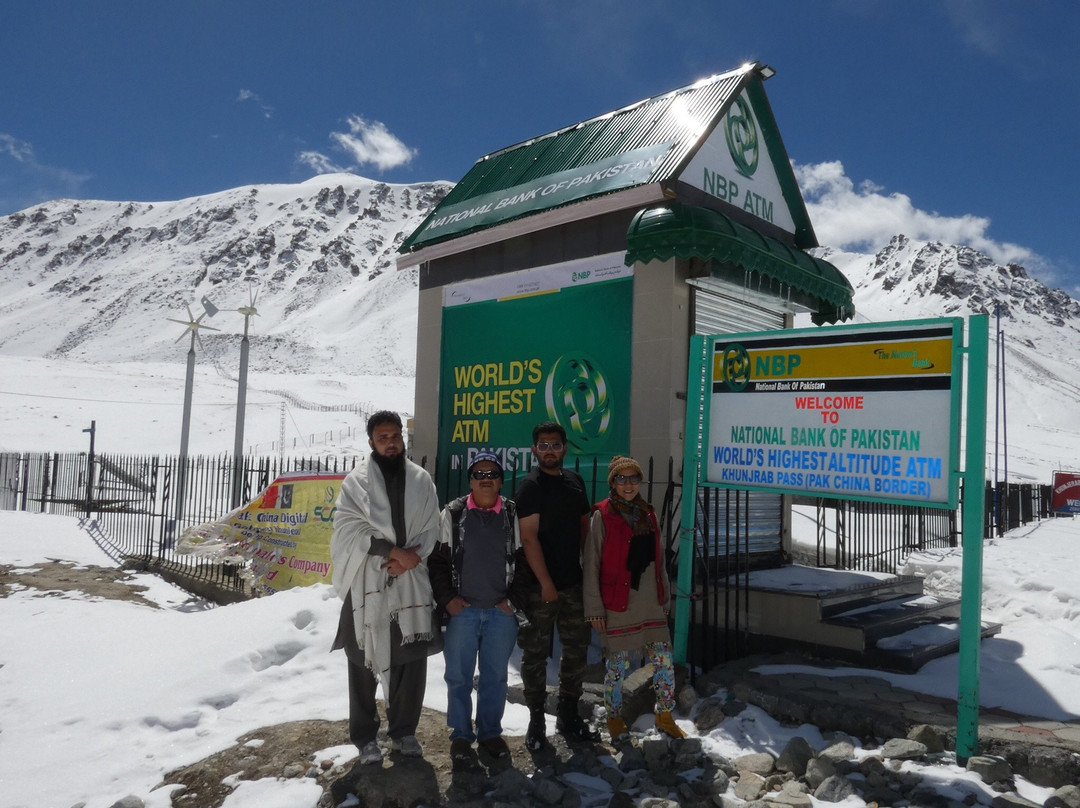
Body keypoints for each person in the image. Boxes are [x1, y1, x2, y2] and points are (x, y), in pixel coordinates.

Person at [330, 410, 441, 765]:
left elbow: (432, 528)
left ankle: (404, 733)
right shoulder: (356, 483)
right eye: (383, 438)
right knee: (363, 657)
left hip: (411, 579)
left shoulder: (422, 480)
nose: (390, 443)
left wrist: (412, 557)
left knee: (411, 658)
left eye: (395, 436)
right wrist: (392, 552)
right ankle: (365, 737)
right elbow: (348, 530)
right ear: (371, 443)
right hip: (367, 579)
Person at [429, 451, 528, 763]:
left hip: (501, 614)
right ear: (470, 480)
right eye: (479, 474)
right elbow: (437, 561)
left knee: (495, 677)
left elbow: (526, 561)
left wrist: (513, 602)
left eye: (492, 473)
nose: (486, 479)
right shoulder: (453, 513)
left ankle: (489, 734)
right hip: (463, 613)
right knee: (457, 677)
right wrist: (448, 599)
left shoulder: (512, 514)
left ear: (500, 480)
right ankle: (460, 735)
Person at [583, 455, 686, 742]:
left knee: (663, 661)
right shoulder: (602, 515)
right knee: (616, 666)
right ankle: (615, 717)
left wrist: (664, 597)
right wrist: (595, 611)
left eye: (633, 478)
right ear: (612, 482)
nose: (628, 485)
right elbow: (591, 563)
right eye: (621, 478)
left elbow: (659, 560)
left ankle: (664, 715)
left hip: (650, 602)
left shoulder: (648, 514)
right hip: (617, 603)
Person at [515, 421, 599, 749]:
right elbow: (528, 537)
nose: (549, 450)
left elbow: (583, 527)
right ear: (535, 450)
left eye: (555, 444)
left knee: (576, 649)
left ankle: (568, 712)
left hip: (573, 584)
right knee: (534, 653)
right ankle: (536, 720)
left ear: (565, 448)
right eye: (543, 445)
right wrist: (546, 582)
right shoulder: (530, 487)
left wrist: (583, 566)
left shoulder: (575, 482)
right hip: (541, 588)